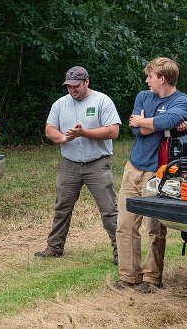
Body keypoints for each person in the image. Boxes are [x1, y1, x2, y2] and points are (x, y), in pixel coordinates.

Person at [114, 57, 187, 293]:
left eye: (150, 76)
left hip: (157, 172)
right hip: (133, 167)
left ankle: (151, 279)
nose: (146, 80)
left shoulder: (182, 100)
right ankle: (128, 277)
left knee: (154, 229)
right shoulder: (143, 96)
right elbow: (135, 127)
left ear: (163, 79)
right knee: (125, 225)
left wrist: (151, 122)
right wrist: (158, 126)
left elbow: (166, 119)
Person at [34, 66, 122, 264]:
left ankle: (120, 252)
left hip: (97, 164)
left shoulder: (102, 101)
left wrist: (84, 133)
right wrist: (63, 137)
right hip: (69, 164)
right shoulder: (60, 104)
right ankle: (54, 247)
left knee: (108, 209)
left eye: (76, 86)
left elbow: (113, 131)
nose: (72, 90)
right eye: (69, 86)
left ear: (86, 82)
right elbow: (49, 129)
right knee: (62, 207)